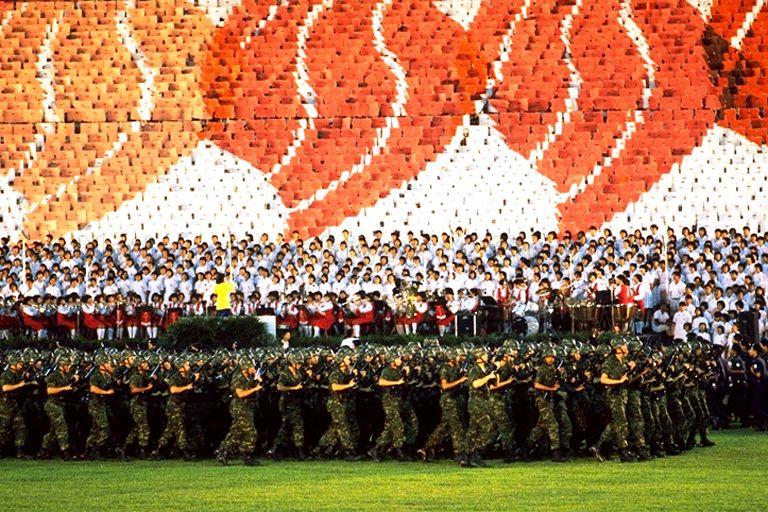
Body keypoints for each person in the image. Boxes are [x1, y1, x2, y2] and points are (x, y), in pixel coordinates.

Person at [592, 339, 636, 462]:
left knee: (614, 424)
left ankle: (598, 446)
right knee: (621, 423)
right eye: (624, 346)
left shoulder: (624, 361)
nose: (626, 348)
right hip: (614, 396)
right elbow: (603, 379)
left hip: (623, 395)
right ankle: (623, 451)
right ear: (617, 349)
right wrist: (619, 381)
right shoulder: (610, 362)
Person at [524, 347, 570, 462]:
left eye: (552, 357)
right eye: (548, 357)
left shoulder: (554, 369)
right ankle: (555, 452)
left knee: (541, 427)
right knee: (552, 425)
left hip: (550, 400)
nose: (551, 359)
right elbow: (537, 385)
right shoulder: (542, 369)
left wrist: (560, 375)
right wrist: (551, 389)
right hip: (542, 400)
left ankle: (525, 448)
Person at [217, 360, 262, 466]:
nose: (253, 369)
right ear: (245, 368)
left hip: (248, 407)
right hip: (239, 408)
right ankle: (247, 455)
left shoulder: (251, 377)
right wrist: (254, 389)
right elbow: (240, 394)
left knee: (236, 432)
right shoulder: (238, 378)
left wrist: (258, 381)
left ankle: (223, 452)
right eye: (251, 366)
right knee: (251, 431)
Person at [38, 356, 79, 459]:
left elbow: (70, 383)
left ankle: (43, 450)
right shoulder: (53, 376)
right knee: (61, 426)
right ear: (62, 365)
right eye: (67, 365)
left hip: (60, 404)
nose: (69, 367)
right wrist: (64, 388)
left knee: (53, 430)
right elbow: (50, 391)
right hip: (52, 404)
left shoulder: (66, 375)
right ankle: (65, 451)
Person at [0, 358, 29, 458]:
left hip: (15, 403)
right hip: (5, 404)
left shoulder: (17, 375)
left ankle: (19, 451)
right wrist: (19, 385)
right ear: (13, 364)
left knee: (20, 426)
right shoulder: (5, 375)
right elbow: (5, 388)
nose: (21, 366)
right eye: (19, 364)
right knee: (4, 427)